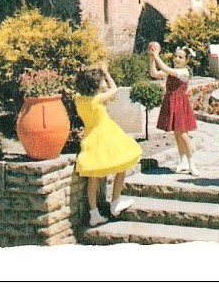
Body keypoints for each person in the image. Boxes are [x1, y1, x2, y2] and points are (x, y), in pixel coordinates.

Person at [74, 61, 142, 226]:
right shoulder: (96, 100)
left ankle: (94, 213)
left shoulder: (78, 99)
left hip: (90, 137)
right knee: (122, 165)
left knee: (94, 176)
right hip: (106, 134)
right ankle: (115, 203)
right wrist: (106, 72)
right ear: (95, 86)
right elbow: (114, 89)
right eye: (101, 80)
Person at [148, 42, 199, 175]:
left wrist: (157, 55)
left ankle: (191, 162)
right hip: (171, 102)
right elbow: (153, 73)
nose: (177, 59)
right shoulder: (171, 71)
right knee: (176, 133)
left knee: (183, 134)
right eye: (176, 56)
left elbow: (166, 69)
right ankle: (182, 160)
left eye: (181, 57)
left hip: (181, 103)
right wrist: (151, 58)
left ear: (187, 60)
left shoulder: (184, 72)